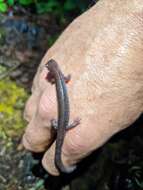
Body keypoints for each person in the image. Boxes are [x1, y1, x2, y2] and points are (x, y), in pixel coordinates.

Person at [22, 0, 143, 176]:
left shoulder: (58, 78)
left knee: (65, 130)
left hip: (64, 124)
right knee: (64, 129)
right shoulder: (61, 76)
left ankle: (64, 165)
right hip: (65, 124)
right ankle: (64, 166)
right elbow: (68, 77)